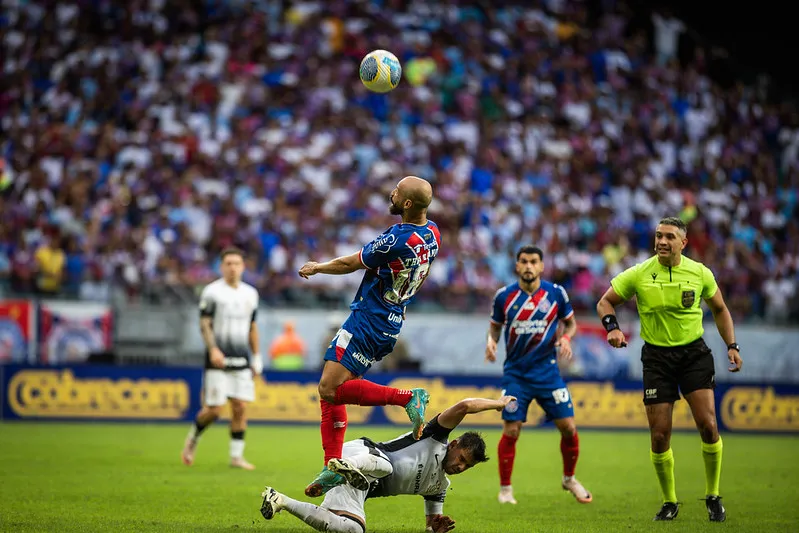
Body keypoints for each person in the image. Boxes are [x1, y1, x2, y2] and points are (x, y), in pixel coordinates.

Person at [297, 176, 441, 496]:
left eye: (397, 192)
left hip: (367, 319)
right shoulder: (433, 233)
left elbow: (352, 262)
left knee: (328, 387)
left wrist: (317, 267)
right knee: (333, 391)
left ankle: (407, 398)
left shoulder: (397, 239)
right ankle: (333, 465)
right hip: (390, 321)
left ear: (406, 204)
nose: (391, 193)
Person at [596, 217, 743, 522]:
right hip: (657, 359)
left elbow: (720, 309)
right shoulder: (639, 273)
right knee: (660, 435)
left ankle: (713, 496)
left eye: (669, 237)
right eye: (659, 236)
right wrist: (612, 328)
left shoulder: (700, 273)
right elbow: (605, 303)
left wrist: (732, 345)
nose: (662, 241)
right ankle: (669, 502)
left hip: (693, 355)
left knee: (708, 426)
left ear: (683, 243)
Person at [259, 395, 516, 533]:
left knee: (352, 530)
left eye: (466, 466)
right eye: (461, 458)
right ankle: (339, 467)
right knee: (387, 467)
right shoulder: (435, 436)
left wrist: (434, 528)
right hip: (364, 453)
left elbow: (431, 522)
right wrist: (500, 404)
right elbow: (466, 405)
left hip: (360, 484)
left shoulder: (439, 486)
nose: (460, 467)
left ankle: (279, 500)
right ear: (455, 443)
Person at [485, 245, 592, 505]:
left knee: (568, 428)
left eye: (534, 261)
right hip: (516, 376)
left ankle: (569, 478)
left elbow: (571, 323)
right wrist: (491, 342)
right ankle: (506, 489)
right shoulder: (504, 297)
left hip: (548, 373)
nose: (529, 266)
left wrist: (566, 337)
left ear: (542, 266)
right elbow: (495, 327)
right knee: (511, 430)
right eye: (524, 261)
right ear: (517, 265)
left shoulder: (556, 293)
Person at [181, 248, 262, 470]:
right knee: (215, 409)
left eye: (237, 263)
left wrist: (257, 356)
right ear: (221, 266)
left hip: (241, 358)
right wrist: (213, 349)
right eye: (228, 263)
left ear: (243, 266)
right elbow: (204, 324)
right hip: (217, 358)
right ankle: (193, 438)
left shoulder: (250, 294)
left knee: (240, 407)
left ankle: (236, 457)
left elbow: (252, 327)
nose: (233, 267)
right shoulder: (212, 292)